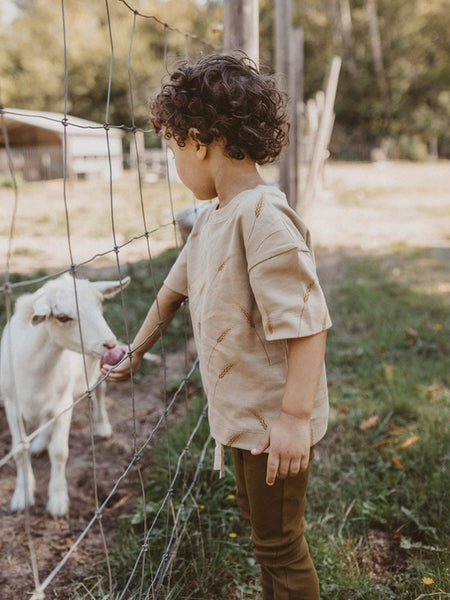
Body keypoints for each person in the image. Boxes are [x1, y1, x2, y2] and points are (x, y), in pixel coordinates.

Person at [102, 52, 331, 600]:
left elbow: (308, 323)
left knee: (280, 544)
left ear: (199, 140)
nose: (174, 165)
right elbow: (172, 292)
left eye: (173, 149)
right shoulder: (215, 218)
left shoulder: (262, 218)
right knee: (265, 536)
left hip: (275, 421)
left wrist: (294, 418)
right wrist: (135, 350)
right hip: (245, 417)